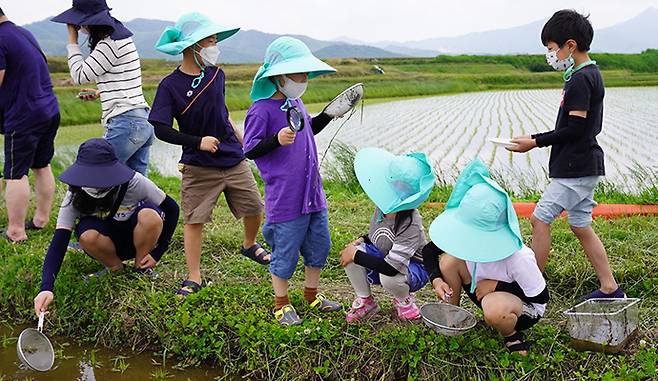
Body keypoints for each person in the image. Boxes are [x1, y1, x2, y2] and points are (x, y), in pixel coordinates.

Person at [149, 13, 269, 296]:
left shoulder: (217, 75)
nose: (215, 46)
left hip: (232, 157)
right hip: (198, 165)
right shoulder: (170, 85)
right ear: (193, 46)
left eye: (215, 40)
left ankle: (249, 244)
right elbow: (160, 129)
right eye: (211, 41)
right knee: (194, 220)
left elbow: (222, 112)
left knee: (254, 207)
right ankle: (194, 276)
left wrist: (241, 138)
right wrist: (196, 142)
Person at [507, 10, 624, 300]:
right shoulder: (587, 74)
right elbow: (577, 126)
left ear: (569, 45)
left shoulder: (580, 80)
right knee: (580, 224)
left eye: (551, 49)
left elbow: (575, 128)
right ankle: (610, 287)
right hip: (583, 164)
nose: (551, 56)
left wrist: (534, 141)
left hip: (576, 167)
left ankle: (532, 289)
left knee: (539, 218)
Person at [243, 37, 342, 325]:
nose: (303, 78)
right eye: (298, 73)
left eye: (305, 73)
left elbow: (307, 129)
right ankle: (281, 303)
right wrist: (275, 139)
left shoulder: (295, 102)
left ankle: (311, 296)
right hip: (286, 196)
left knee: (319, 244)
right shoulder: (261, 110)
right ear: (279, 76)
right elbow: (249, 148)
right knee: (285, 251)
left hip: (312, 193)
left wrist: (327, 115)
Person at [32, 138, 180, 316]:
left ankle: (142, 266)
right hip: (105, 244)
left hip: (137, 238)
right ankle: (114, 268)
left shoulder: (134, 182)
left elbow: (172, 209)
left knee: (150, 216)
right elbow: (59, 241)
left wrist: (158, 252)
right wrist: (46, 288)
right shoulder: (75, 194)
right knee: (87, 235)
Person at [423, 159, 549, 355]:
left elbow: (540, 297)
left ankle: (512, 335)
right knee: (449, 262)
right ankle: (453, 318)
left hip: (521, 307)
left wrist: (496, 286)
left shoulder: (518, 257)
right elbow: (429, 251)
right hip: (482, 292)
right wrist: (436, 280)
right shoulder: (464, 237)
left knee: (494, 307)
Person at [51, 0, 154, 175]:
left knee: (94, 175)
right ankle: (155, 204)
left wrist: (72, 40)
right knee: (136, 188)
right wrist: (102, 92)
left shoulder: (108, 44)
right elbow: (126, 78)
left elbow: (79, 76)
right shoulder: (121, 38)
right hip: (141, 120)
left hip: (126, 122)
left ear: (86, 21)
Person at [339, 148, 435, 322]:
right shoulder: (383, 206)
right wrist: (360, 242)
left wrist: (357, 255)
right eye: (394, 183)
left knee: (388, 277)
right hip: (387, 258)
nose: (395, 187)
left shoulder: (410, 222)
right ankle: (366, 301)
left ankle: (404, 302)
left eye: (401, 186)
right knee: (351, 253)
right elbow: (380, 236)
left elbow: (392, 268)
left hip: (411, 267)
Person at [0, 6, 60, 242]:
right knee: (41, 165)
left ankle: (16, 230)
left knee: (15, 173)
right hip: (48, 109)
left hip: (23, 114)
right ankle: (41, 220)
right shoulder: (23, 34)